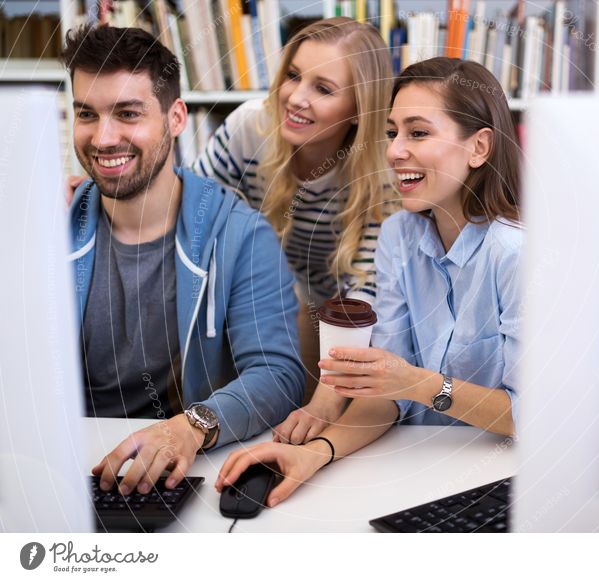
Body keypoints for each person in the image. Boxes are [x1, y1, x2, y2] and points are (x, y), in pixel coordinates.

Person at [216, 57, 523, 507]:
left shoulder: (515, 255)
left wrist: (416, 382)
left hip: (498, 480)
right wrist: (316, 455)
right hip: (409, 467)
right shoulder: (399, 235)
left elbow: (525, 414)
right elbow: (389, 397)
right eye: (392, 132)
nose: (396, 151)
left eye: (418, 133)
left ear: (479, 148)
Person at [62, 25, 305, 496]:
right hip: (64, 466)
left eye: (128, 114)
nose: (103, 137)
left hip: (187, 471)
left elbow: (278, 375)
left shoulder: (240, 234)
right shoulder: (47, 229)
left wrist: (190, 427)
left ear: (176, 118)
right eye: (86, 114)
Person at [192, 17, 395, 444]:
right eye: (293, 76)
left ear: (359, 108)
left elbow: (363, 296)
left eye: (323, 88)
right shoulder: (250, 129)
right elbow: (193, 214)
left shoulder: (381, 173)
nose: (295, 98)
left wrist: (324, 402)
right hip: (248, 298)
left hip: (332, 322)